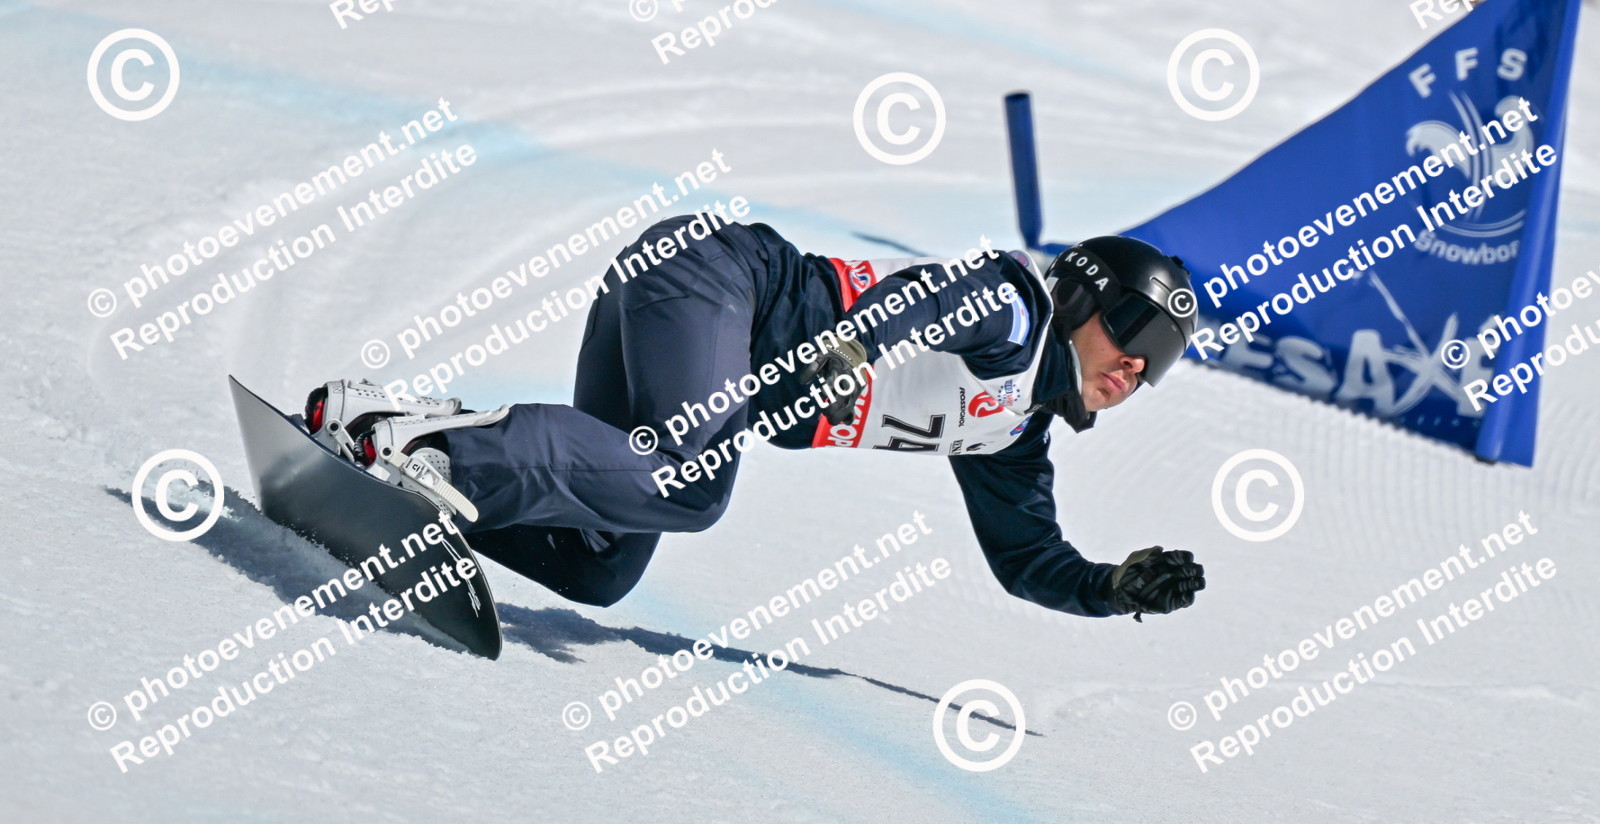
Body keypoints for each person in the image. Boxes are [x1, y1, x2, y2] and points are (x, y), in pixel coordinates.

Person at [304, 213, 1205, 621]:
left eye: (1157, 362)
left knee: (597, 566)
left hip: (703, 319)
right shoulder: (1017, 310)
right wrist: (853, 346)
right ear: (1083, 294)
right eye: (1134, 330)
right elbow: (936, 297)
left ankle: (425, 484)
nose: (1135, 367)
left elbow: (1026, 559)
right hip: (716, 277)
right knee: (689, 485)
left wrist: (1110, 588)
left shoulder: (1013, 431)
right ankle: (417, 442)